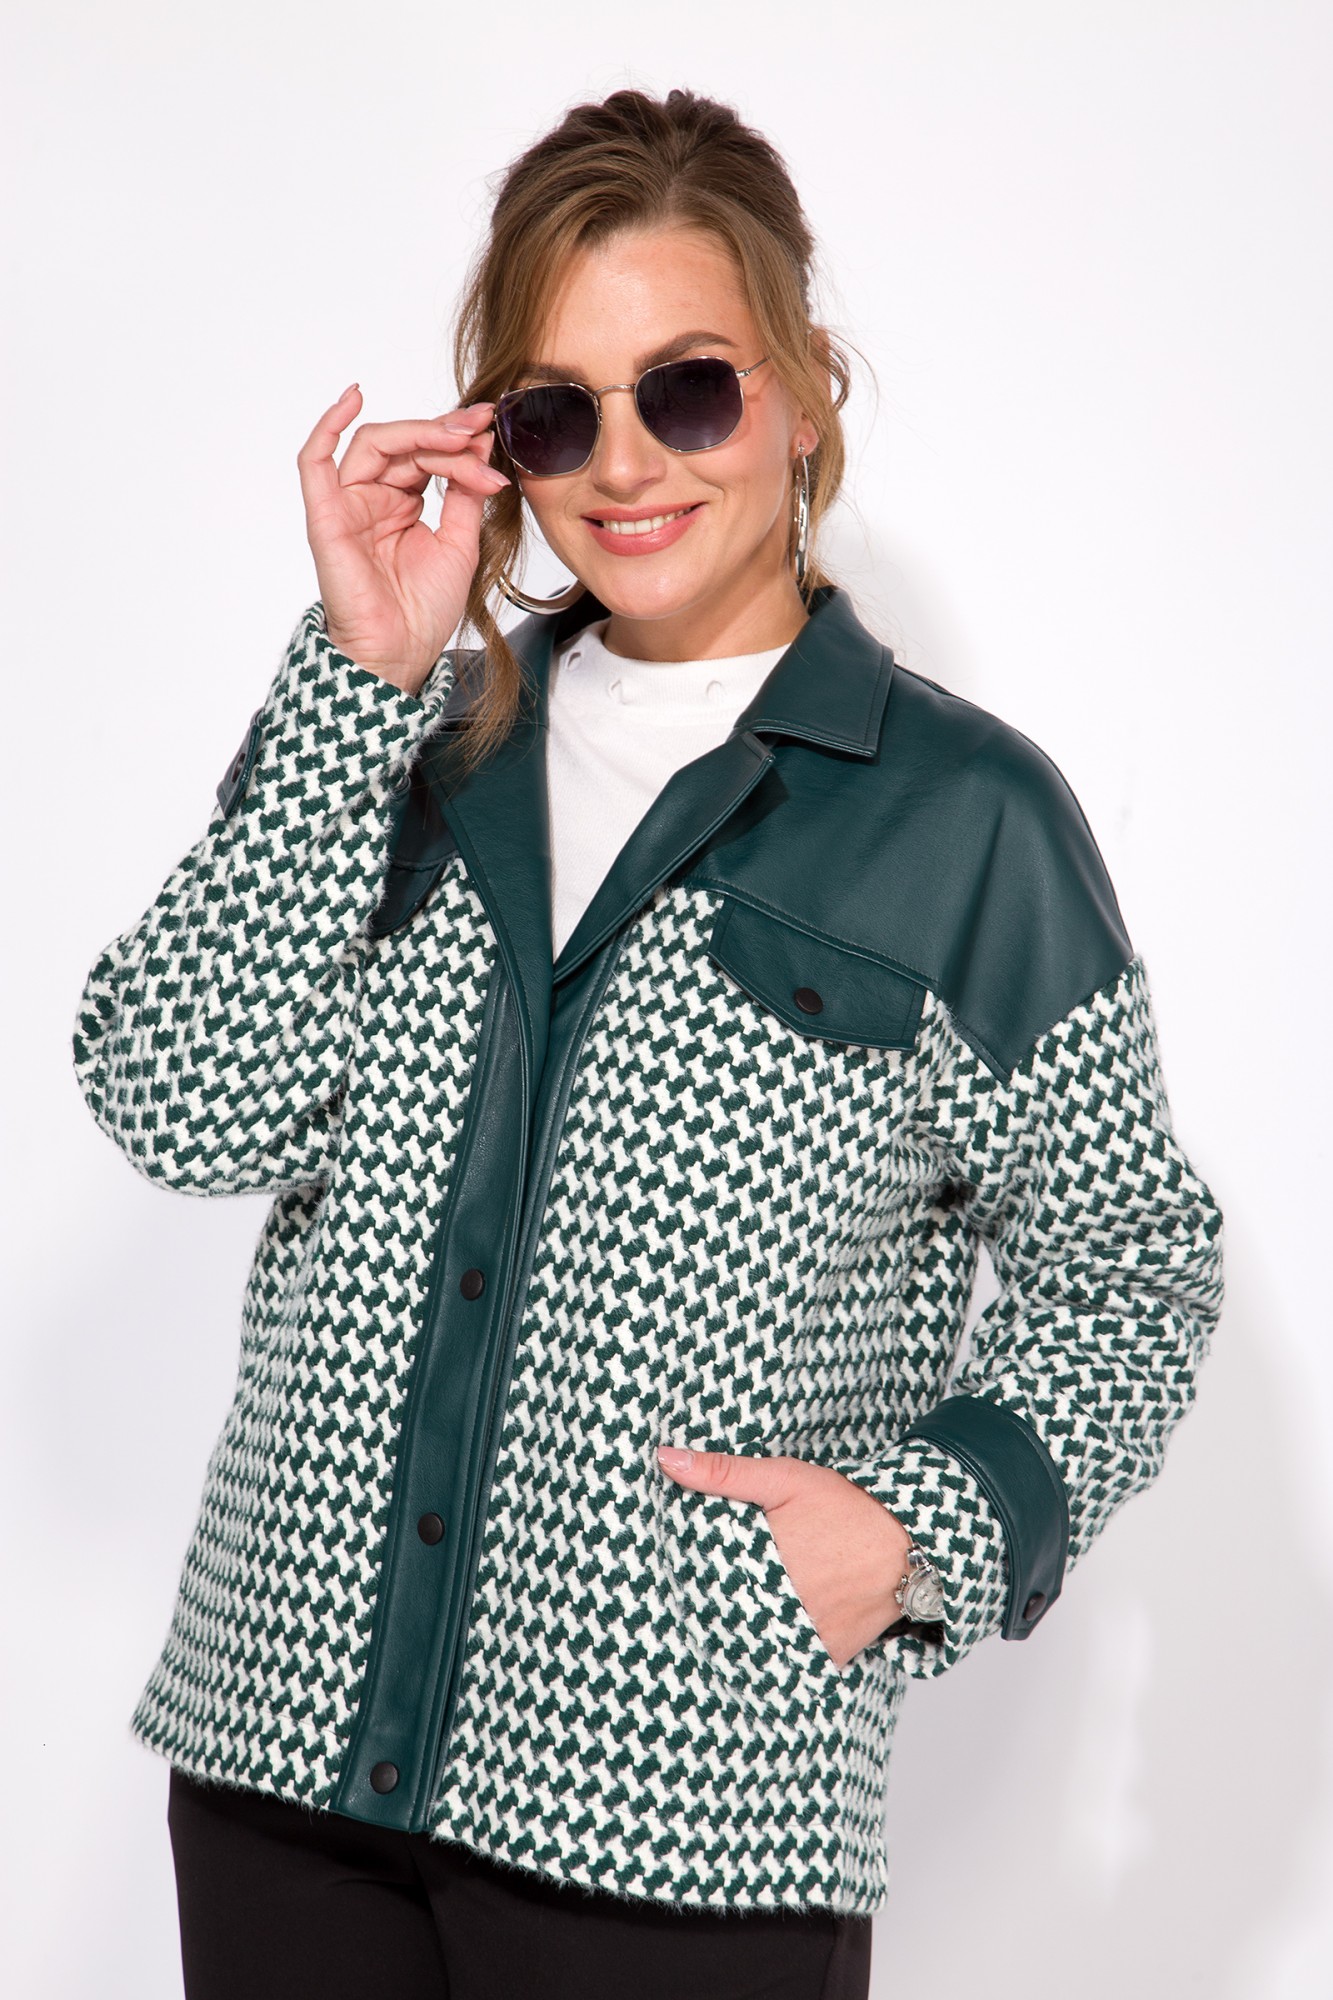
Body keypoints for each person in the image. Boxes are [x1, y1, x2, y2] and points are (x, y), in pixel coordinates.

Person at [72, 85, 1225, 2000]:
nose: (622, 463)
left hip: (683, 1818)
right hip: (284, 1771)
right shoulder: (405, 742)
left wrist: (921, 1529)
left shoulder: (963, 822)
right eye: (554, 412)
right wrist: (360, 673)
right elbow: (180, 1107)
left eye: (685, 389)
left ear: (799, 393)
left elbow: (1130, 1271)